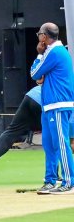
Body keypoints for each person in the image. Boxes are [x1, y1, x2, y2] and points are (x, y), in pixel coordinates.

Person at [31, 22, 74, 194]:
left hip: (58, 103)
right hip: (50, 104)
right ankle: (50, 180)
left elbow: (35, 73)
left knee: (61, 143)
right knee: (49, 144)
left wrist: (39, 55)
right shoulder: (54, 51)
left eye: (39, 34)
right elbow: (38, 76)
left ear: (44, 36)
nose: (38, 37)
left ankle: (69, 181)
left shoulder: (54, 51)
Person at [0, 85, 42, 174]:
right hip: (43, 102)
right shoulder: (66, 78)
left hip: (31, 95)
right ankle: (54, 175)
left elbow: (38, 79)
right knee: (54, 137)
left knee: (12, 131)